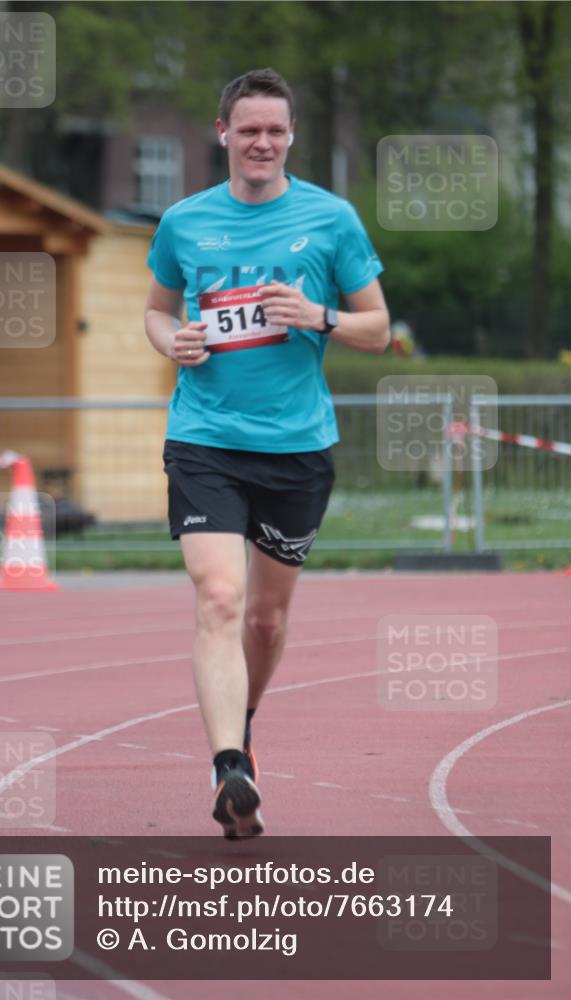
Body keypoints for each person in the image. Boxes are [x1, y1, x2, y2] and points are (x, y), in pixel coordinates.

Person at [144, 68, 389, 838]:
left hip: (295, 448)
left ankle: (241, 725)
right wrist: (172, 341)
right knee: (218, 597)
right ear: (222, 133)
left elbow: (379, 328)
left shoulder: (331, 219)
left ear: (290, 138)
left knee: (266, 621)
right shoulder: (184, 222)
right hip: (204, 440)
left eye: (274, 131)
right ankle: (228, 768)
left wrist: (317, 314)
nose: (261, 142)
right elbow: (155, 313)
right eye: (247, 129)